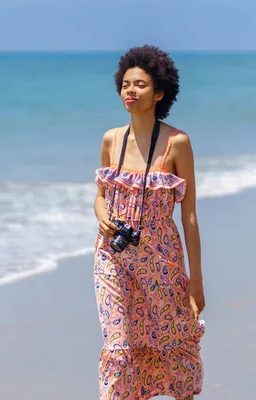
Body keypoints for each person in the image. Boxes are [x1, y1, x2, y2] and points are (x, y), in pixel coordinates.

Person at [93, 45, 206, 400]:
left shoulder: (177, 143)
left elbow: (188, 215)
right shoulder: (111, 139)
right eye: (125, 84)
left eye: (140, 85)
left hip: (161, 260)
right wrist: (102, 217)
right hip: (112, 258)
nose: (130, 90)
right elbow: (99, 195)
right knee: (118, 345)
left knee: (172, 340)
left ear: (159, 92)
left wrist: (196, 280)